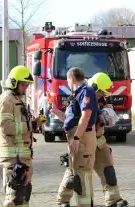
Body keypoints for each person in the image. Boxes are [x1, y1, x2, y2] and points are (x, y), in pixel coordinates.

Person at [0, 65, 43, 207]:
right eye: (22, 85)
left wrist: (34, 123)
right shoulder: (6, 100)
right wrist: (29, 126)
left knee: (24, 195)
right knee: (14, 198)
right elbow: (5, 127)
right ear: (13, 83)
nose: (25, 88)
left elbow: (20, 125)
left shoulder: (17, 99)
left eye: (26, 85)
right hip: (13, 157)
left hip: (22, 156)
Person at [50, 67, 98, 207]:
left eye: (67, 79)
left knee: (83, 175)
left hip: (82, 139)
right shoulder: (77, 94)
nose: (67, 82)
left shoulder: (86, 91)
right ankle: (62, 202)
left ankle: (85, 204)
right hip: (76, 138)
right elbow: (70, 119)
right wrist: (56, 111)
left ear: (71, 78)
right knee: (73, 171)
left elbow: (86, 115)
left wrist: (76, 138)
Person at [88, 73, 128, 207]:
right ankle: (63, 200)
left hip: (99, 141)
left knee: (108, 170)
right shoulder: (83, 99)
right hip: (85, 142)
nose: (103, 95)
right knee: (75, 174)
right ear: (94, 87)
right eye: (101, 92)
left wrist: (109, 110)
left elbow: (106, 114)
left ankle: (113, 200)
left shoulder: (101, 100)